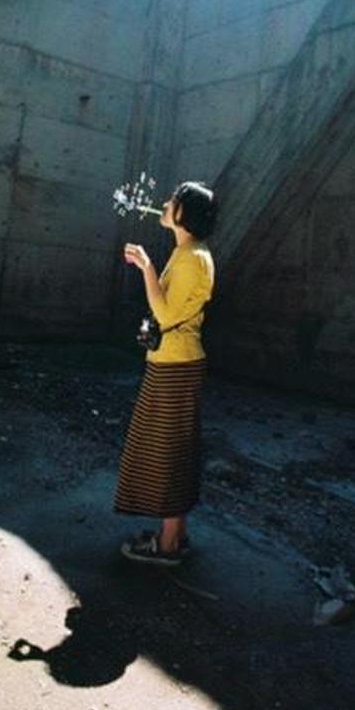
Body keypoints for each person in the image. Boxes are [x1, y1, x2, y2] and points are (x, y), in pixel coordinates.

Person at [114, 181, 216, 565]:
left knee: (166, 452)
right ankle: (174, 534)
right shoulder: (189, 252)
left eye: (173, 201)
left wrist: (146, 268)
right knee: (171, 450)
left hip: (176, 365)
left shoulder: (191, 259)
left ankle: (168, 545)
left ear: (185, 214)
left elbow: (166, 314)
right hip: (175, 362)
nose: (165, 204)